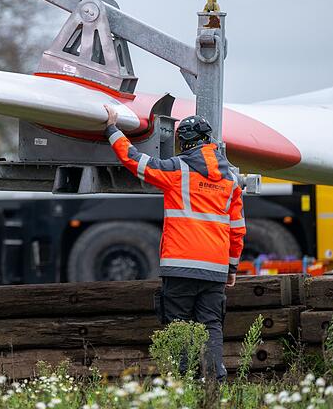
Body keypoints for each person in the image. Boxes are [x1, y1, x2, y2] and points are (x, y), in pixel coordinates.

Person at [104, 105, 246, 381]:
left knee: (178, 325)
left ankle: (184, 382)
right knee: (211, 325)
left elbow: (136, 161)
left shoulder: (178, 170)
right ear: (209, 139)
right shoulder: (231, 180)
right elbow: (238, 230)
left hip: (180, 266)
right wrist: (231, 268)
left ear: (185, 142)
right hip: (215, 269)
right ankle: (213, 383)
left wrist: (112, 129)